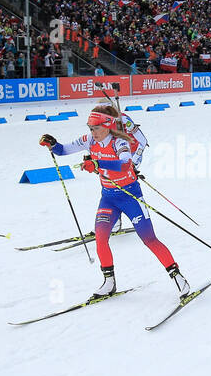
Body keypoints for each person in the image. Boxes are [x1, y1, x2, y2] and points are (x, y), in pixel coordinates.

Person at [40, 105, 190, 298]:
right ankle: (109, 283)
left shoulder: (120, 142)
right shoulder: (88, 140)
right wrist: (52, 144)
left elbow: (125, 164)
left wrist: (97, 163)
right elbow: (63, 150)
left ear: (108, 126)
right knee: (101, 239)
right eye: (90, 128)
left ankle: (178, 277)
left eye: (95, 128)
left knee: (149, 239)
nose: (91, 132)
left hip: (130, 196)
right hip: (108, 199)